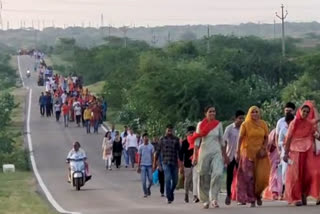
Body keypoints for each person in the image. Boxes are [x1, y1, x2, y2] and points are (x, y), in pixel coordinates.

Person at [283, 101, 320, 206]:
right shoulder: (294, 123)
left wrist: (314, 107)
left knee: (308, 174)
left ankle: (303, 194)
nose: (305, 113)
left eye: (307, 112)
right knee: (295, 175)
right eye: (304, 111)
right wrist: (286, 153)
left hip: (307, 150)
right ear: (300, 111)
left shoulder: (309, 123)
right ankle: (295, 198)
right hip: (295, 151)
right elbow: (289, 138)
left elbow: (316, 127)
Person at [190, 106, 227, 209]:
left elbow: (222, 141)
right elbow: (197, 142)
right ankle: (205, 200)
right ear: (205, 113)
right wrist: (195, 156)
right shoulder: (200, 125)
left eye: (214, 111)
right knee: (203, 175)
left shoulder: (218, 124)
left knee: (218, 173)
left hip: (216, 151)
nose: (212, 113)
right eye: (210, 111)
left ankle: (214, 199)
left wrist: (225, 156)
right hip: (204, 152)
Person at [236, 106, 270, 207]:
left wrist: (264, 149)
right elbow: (240, 139)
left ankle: (258, 195)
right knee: (249, 177)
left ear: (259, 113)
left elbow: (266, 138)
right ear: (249, 114)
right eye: (252, 112)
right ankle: (252, 199)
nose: (254, 114)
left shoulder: (263, 124)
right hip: (247, 153)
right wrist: (237, 152)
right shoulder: (245, 124)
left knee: (261, 177)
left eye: (256, 112)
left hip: (260, 154)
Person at [154, 124, 180, 204]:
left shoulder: (176, 139)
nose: (169, 131)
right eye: (168, 130)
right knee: (168, 179)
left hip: (174, 163)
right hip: (165, 163)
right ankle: (169, 197)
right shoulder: (162, 139)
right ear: (166, 130)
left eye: (171, 130)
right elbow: (157, 152)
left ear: (173, 131)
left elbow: (179, 151)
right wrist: (155, 163)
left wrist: (181, 163)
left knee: (175, 181)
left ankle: (171, 191)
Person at [223, 110, 245, 205]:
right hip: (230, 155)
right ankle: (228, 194)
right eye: (239, 118)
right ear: (235, 118)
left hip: (241, 156)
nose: (241, 120)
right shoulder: (229, 128)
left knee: (241, 177)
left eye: (242, 118)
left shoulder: (243, 128)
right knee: (230, 176)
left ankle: (240, 197)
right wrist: (225, 156)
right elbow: (223, 143)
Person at [278, 113, 295, 200]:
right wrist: (284, 142)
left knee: (294, 173)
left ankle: (293, 193)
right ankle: (283, 192)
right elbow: (279, 142)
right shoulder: (283, 130)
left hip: (295, 152)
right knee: (285, 172)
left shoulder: (297, 129)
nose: (290, 124)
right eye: (289, 122)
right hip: (286, 153)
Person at [179, 126, 196, 203]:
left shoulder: (197, 141)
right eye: (190, 132)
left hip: (196, 163)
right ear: (187, 133)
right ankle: (186, 193)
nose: (192, 134)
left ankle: (195, 195)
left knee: (195, 180)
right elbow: (181, 153)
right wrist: (181, 164)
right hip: (187, 164)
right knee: (187, 180)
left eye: (193, 132)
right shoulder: (185, 142)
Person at [137, 133, 155, 197]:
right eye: (144, 138)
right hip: (143, 165)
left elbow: (153, 156)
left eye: (147, 138)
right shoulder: (140, 147)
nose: (146, 139)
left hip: (149, 165)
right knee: (144, 181)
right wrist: (138, 166)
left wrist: (153, 165)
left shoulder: (151, 146)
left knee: (151, 180)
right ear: (143, 139)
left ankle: (148, 188)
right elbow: (139, 157)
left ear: (148, 138)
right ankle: (145, 192)